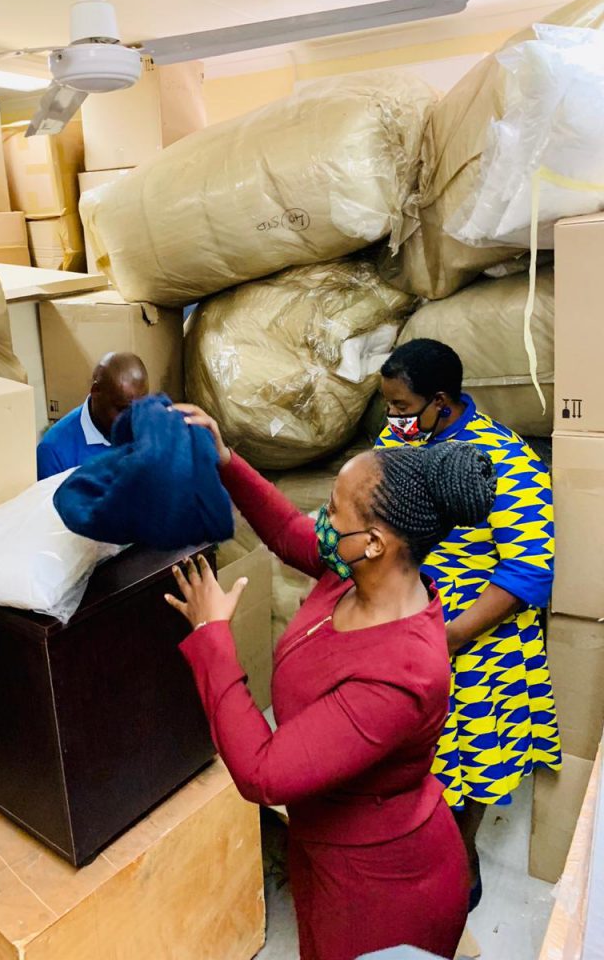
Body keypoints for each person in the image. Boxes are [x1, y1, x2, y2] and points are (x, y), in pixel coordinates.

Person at [167, 403, 498, 960]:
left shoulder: (404, 674)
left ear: (374, 542)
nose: (322, 517)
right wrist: (226, 460)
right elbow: (287, 532)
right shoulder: (353, 575)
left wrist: (212, 636)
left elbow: (263, 773)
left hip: (380, 890)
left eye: (334, 510)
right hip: (326, 848)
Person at [376, 337, 560, 911]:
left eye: (402, 407)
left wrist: (452, 636)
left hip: (479, 636)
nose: (393, 419)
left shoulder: (505, 460)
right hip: (405, 626)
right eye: (388, 406)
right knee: (410, 751)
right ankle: (412, 840)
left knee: (477, 755)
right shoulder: (398, 442)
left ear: (440, 401)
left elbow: (528, 571)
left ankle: (462, 850)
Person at [36, 352, 148, 479]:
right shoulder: (53, 451)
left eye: (141, 406)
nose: (133, 418)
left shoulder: (148, 426)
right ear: (96, 391)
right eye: (122, 409)